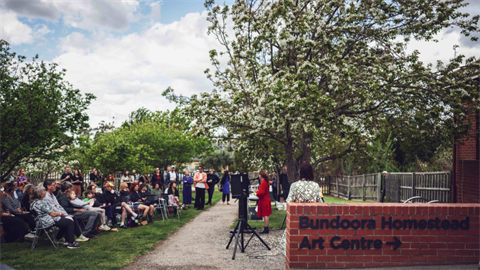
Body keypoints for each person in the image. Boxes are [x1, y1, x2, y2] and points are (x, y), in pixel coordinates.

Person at [280, 161, 323, 255]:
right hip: (312, 221)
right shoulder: (315, 186)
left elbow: (288, 203)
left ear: (300, 172)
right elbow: (320, 204)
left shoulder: (294, 186)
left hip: (297, 220)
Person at [255, 170, 272, 234]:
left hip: (264, 199)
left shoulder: (263, 183)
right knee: (266, 214)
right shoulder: (266, 182)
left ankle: (266, 228)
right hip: (266, 198)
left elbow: (261, 193)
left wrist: (256, 191)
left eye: (259, 174)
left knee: (265, 214)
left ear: (261, 176)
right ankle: (266, 227)